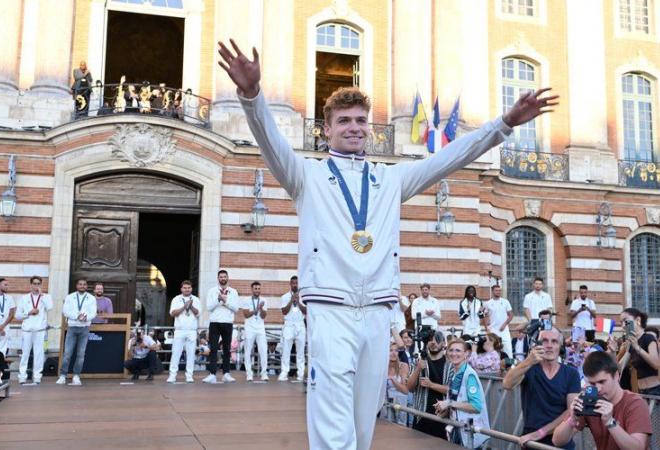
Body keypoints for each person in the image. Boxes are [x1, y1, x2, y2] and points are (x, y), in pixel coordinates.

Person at [218, 37, 556, 450]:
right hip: (331, 309)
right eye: (344, 121)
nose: (354, 127)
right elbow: (271, 142)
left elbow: (450, 158)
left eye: (360, 120)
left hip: (378, 312)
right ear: (327, 130)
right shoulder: (306, 175)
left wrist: (504, 123)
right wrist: (252, 95)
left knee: (364, 422)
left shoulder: (390, 179)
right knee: (331, 416)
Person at [552, 351, 652, 450]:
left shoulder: (635, 403)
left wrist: (610, 422)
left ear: (616, 376)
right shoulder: (590, 400)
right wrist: (572, 419)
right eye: (592, 383)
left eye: (602, 381)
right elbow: (557, 441)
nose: (598, 388)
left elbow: (638, 448)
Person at [502, 327, 580, 449]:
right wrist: (528, 361)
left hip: (559, 440)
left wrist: (539, 433)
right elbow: (507, 384)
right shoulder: (529, 368)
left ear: (560, 346)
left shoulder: (571, 373)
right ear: (537, 345)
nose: (549, 345)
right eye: (544, 341)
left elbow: (571, 411)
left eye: (554, 341)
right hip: (530, 441)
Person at [435, 339, 490, 448]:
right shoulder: (455, 373)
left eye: (458, 351)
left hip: (470, 434)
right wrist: (445, 411)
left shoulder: (469, 375)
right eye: (451, 350)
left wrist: (449, 403)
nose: (453, 354)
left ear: (466, 354)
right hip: (457, 430)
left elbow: (476, 406)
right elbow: (457, 401)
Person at [406, 330, 452, 439]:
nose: (434, 343)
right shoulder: (418, 361)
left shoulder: (450, 365)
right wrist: (418, 368)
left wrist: (431, 385)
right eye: (431, 340)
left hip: (442, 417)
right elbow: (410, 388)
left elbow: (452, 390)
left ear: (444, 343)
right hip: (421, 417)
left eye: (438, 340)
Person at [57, 279, 96, 386]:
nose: (82, 286)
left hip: (85, 328)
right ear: (76, 285)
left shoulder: (91, 298)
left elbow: (93, 312)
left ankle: (76, 376)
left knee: (81, 354)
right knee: (67, 353)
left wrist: (86, 317)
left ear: (86, 286)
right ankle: (63, 376)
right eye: (80, 284)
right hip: (72, 327)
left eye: (84, 284)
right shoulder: (70, 297)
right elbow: (65, 311)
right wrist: (76, 316)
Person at [203, 269, 239, 384]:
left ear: (228, 278)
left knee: (227, 349)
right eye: (221, 277)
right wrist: (218, 299)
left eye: (224, 276)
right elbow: (209, 307)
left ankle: (226, 374)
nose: (223, 278)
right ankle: (212, 374)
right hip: (215, 322)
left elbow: (236, 308)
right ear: (218, 278)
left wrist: (226, 301)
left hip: (228, 322)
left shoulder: (233, 292)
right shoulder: (212, 291)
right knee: (213, 348)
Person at [16, 276, 53, 384]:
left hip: (40, 330)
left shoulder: (46, 297)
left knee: (39, 354)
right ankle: (22, 376)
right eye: (34, 284)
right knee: (25, 354)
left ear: (41, 285)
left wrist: (42, 295)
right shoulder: (24, 298)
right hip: (27, 330)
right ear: (31, 285)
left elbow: (50, 307)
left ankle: (37, 376)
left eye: (38, 284)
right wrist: (29, 313)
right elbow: (17, 316)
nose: (36, 286)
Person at [167, 280, 200, 383]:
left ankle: (189, 375)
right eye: (185, 288)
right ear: (181, 289)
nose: (187, 289)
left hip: (191, 330)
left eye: (189, 288)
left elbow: (198, 313)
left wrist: (191, 306)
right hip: (180, 330)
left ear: (191, 289)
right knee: (176, 353)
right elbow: (173, 313)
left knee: (191, 354)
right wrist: (184, 306)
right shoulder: (176, 299)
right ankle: (172, 375)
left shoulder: (196, 299)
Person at [622, 308, 659, 395]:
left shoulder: (648, 338)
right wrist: (612, 351)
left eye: (626, 321)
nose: (623, 325)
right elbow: (620, 368)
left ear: (638, 320)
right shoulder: (632, 343)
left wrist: (637, 348)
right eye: (621, 322)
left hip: (654, 391)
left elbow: (656, 364)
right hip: (641, 392)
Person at [279, 275, 306, 381]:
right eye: (293, 283)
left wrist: (298, 301)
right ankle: (284, 372)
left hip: (300, 324)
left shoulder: (303, 296)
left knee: (301, 352)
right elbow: (284, 311)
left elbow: (306, 311)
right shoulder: (284, 296)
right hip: (289, 325)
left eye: (297, 283)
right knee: (286, 350)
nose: (295, 285)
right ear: (290, 284)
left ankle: (300, 373)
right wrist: (291, 300)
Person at [242, 281, 268, 382]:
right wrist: (256, 309)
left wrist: (261, 308)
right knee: (248, 351)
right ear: (252, 289)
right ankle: (249, 374)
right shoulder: (246, 300)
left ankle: (264, 373)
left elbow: (264, 316)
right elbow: (246, 314)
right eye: (255, 288)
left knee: (263, 350)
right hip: (249, 328)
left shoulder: (264, 300)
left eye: (258, 288)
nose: (257, 290)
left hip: (260, 328)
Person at [381, 342, 409, 426]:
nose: (393, 353)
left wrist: (393, 379)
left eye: (396, 350)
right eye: (390, 350)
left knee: (400, 429)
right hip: (386, 405)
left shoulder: (403, 366)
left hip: (400, 405)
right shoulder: (383, 367)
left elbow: (405, 390)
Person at [484, 285, 513, 358]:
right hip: (493, 330)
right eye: (496, 290)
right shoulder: (487, 303)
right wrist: (487, 329)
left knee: (508, 349)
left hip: (504, 330)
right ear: (492, 291)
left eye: (499, 290)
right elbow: (485, 317)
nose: (498, 292)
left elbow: (511, 315)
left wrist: (504, 324)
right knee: (493, 350)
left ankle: (510, 366)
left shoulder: (505, 302)